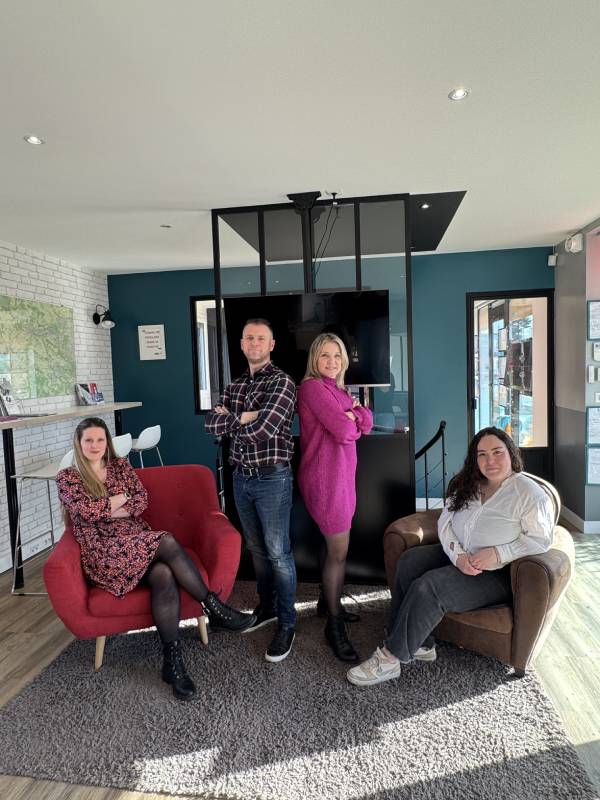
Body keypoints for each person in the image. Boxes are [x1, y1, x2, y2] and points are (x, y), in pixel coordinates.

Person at [56, 417, 255, 701]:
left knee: (164, 573)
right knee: (166, 540)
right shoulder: (68, 477)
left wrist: (109, 507)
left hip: (136, 541)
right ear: (79, 443)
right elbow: (86, 511)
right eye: (89, 440)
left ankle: (172, 663)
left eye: (100, 439)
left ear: (107, 442)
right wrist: (119, 499)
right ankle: (214, 608)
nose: (95, 445)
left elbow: (141, 501)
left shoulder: (120, 466)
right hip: (104, 553)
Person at [347, 426, 555, 686]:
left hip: (497, 572)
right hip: (461, 554)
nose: (490, 461)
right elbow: (445, 523)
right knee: (409, 561)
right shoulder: (468, 483)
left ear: (511, 453)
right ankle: (421, 643)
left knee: (430, 587)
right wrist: (458, 557)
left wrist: (498, 553)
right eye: (482, 454)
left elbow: (541, 539)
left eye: (497, 452)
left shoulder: (529, 494)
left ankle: (391, 658)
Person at [204, 319, 297, 663]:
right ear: (242, 344)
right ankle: (267, 608)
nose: (254, 343)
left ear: (271, 345)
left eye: (261, 338)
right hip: (240, 479)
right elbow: (211, 424)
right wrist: (245, 417)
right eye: (249, 338)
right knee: (257, 549)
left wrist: (234, 419)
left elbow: (265, 429)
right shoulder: (235, 385)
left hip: (273, 479)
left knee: (278, 553)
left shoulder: (283, 382)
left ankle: (287, 622)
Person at [297, 333, 373, 662]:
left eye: (337, 355)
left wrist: (355, 416)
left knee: (332, 547)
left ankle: (327, 603)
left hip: (342, 477)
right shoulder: (312, 388)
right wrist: (352, 419)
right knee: (339, 552)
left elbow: (367, 420)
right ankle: (334, 622)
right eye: (325, 355)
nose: (332, 361)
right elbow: (344, 431)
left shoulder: (340, 391)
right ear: (314, 359)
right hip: (325, 479)